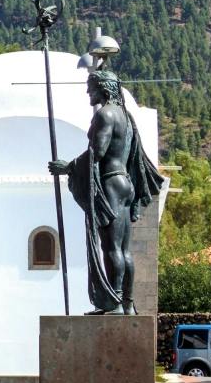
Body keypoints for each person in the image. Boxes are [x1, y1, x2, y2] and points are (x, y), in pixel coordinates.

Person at [50, 70, 165, 314]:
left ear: (103, 88)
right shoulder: (126, 116)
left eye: (90, 87)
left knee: (111, 248)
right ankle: (127, 304)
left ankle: (114, 303)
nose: (87, 92)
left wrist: (68, 167)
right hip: (125, 183)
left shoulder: (105, 114)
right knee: (124, 249)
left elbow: (97, 152)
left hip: (110, 183)